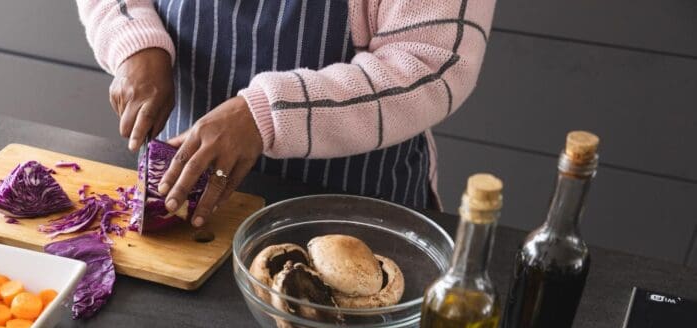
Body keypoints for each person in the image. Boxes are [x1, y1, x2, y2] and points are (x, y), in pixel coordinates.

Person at [76, 0, 495, 227]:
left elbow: (431, 63)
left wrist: (266, 116)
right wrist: (133, 40)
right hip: (184, 205)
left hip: (353, 216)